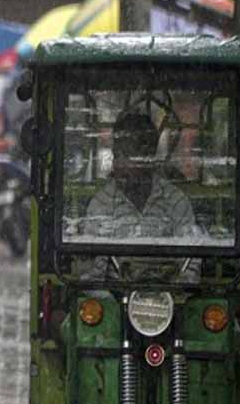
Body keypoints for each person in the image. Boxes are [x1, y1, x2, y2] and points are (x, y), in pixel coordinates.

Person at [81, 112, 200, 282]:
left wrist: (175, 292)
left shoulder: (175, 201)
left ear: (147, 158)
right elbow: (93, 276)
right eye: (116, 156)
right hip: (116, 294)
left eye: (127, 156)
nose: (118, 165)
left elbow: (191, 266)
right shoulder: (102, 204)